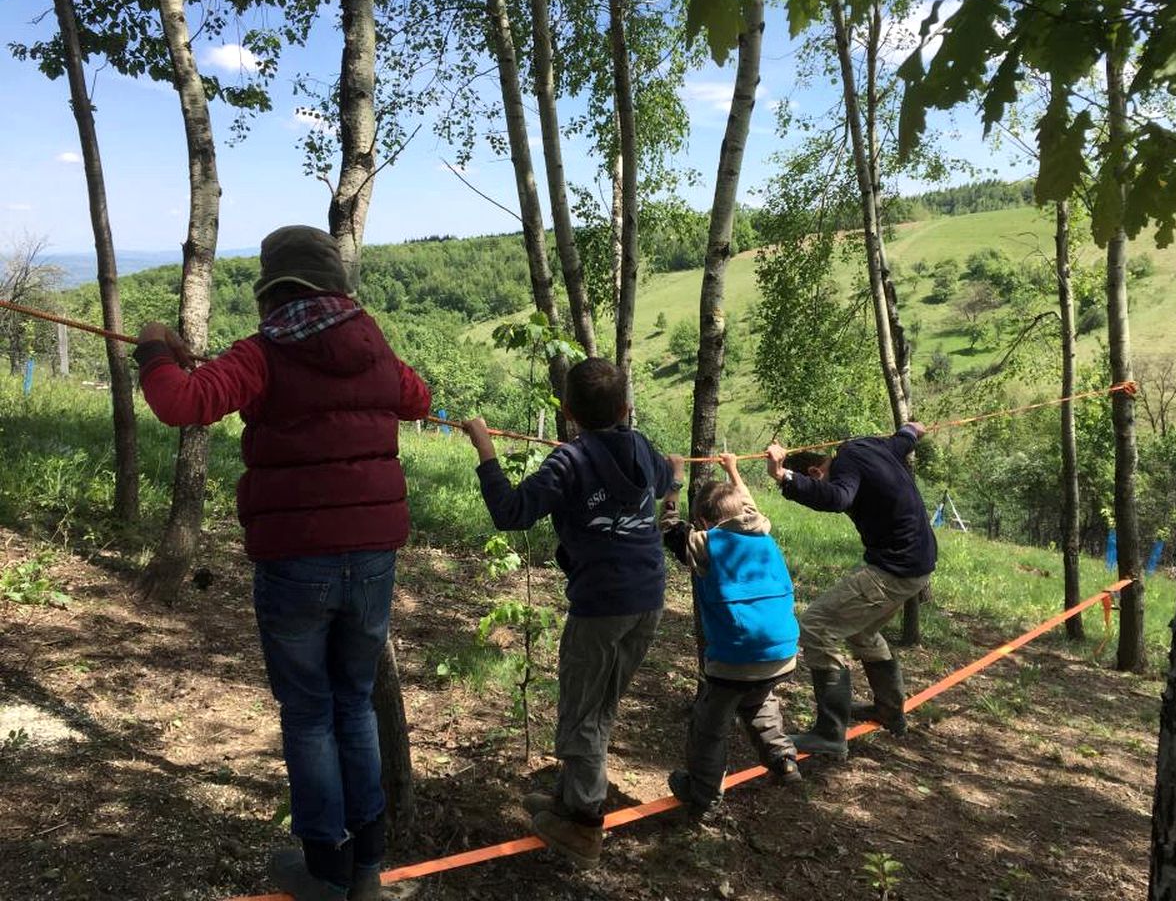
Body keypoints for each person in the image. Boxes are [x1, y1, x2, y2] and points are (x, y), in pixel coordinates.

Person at [133, 225, 433, 901]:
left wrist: (155, 345)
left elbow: (178, 402)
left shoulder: (262, 353)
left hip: (297, 559)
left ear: (273, 289)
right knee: (353, 702)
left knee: (307, 712)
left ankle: (324, 869)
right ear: (335, 285)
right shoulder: (372, 342)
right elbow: (417, 399)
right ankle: (367, 870)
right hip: (373, 557)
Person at [460, 357, 675, 868]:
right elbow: (668, 477)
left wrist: (485, 448)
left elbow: (510, 513)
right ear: (626, 408)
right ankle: (569, 798)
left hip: (603, 604)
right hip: (649, 599)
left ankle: (581, 827)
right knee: (598, 704)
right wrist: (673, 481)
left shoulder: (570, 462)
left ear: (568, 413)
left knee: (584, 710)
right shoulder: (644, 448)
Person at [764, 422, 935, 756]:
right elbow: (902, 443)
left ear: (815, 471)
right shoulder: (870, 446)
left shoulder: (845, 464)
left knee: (817, 625)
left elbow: (838, 497)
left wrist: (783, 476)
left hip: (895, 567)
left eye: (814, 480)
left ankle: (830, 735)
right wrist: (911, 431)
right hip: (916, 562)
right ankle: (889, 710)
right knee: (863, 632)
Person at [660, 452, 801, 819]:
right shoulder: (763, 532)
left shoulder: (706, 545)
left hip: (733, 660)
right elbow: (747, 508)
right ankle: (784, 760)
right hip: (782, 653)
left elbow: (668, 526)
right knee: (758, 700)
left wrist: (674, 477)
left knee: (710, 727)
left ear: (703, 522)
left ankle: (703, 796)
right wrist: (733, 470)